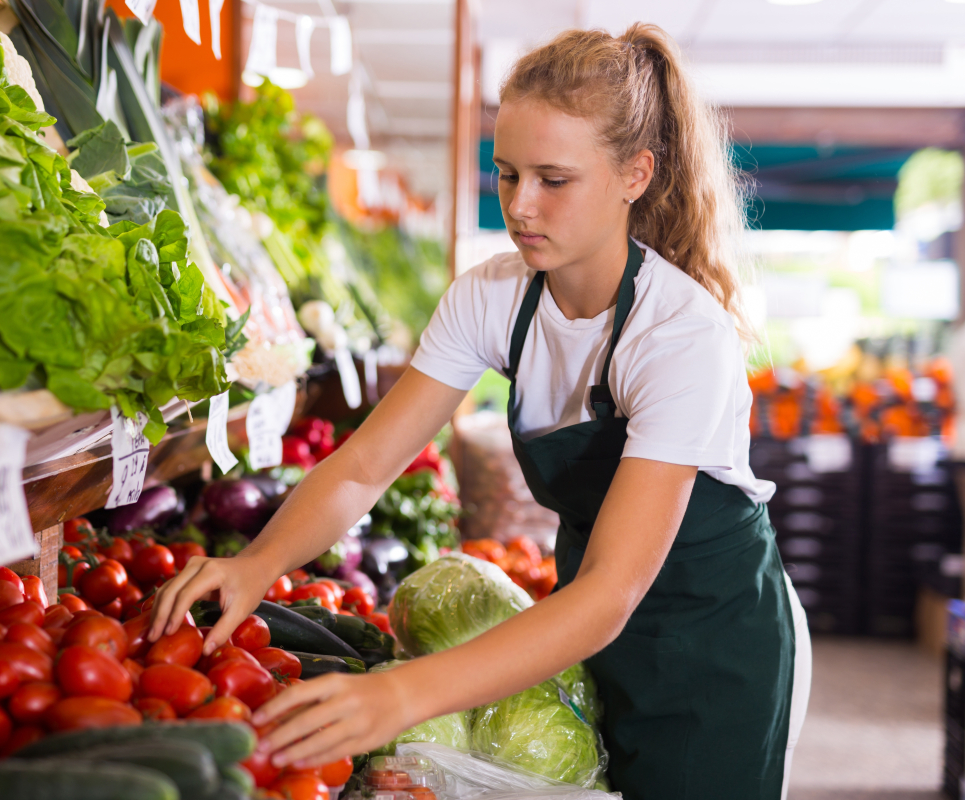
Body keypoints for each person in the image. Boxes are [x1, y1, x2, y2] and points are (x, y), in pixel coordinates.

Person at [149, 23, 812, 800]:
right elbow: (365, 467)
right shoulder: (494, 296)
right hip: (587, 623)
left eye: (553, 180)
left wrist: (402, 694)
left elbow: (610, 591)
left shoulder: (679, 336)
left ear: (636, 174)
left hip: (710, 646)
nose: (521, 206)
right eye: (506, 174)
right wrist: (256, 564)